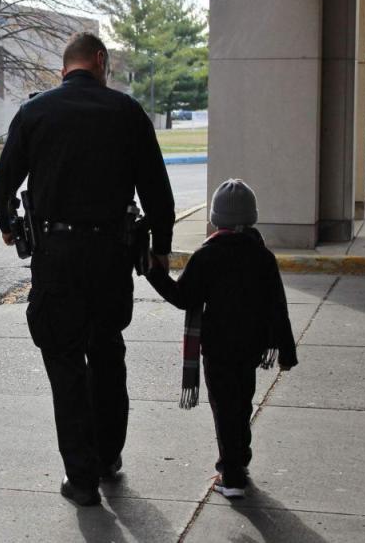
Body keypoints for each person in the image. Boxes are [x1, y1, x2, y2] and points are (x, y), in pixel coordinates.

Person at [0, 32, 176, 506]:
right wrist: (160, 248)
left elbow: (3, 182)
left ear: (66, 67)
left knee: (65, 363)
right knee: (108, 351)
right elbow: (158, 192)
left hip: (57, 257)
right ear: (100, 61)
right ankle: (109, 457)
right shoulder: (128, 113)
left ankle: (82, 479)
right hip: (112, 256)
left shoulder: (35, 112)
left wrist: (10, 225)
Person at [146, 179, 298, 498]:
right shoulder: (262, 256)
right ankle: (238, 461)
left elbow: (183, 297)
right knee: (241, 403)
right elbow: (277, 305)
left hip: (218, 346)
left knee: (224, 406)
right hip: (252, 345)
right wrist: (286, 351)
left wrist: (154, 273)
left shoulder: (208, 255)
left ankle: (230, 478)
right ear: (251, 216)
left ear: (216, 218)